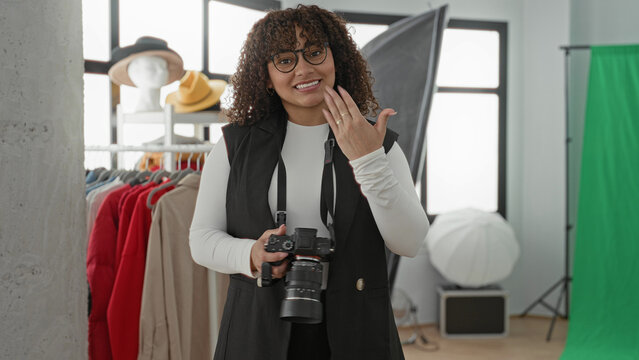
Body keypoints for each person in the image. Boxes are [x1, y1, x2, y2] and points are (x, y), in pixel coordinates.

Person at [189, 5, 429, 360]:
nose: (304, 68)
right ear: (266, 75)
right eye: (285, 60)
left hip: (358, 330)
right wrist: (251, 254)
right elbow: (201, 240)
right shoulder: (233, 146)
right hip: (256, 329)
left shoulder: (377, 142)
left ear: (337, 58)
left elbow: (410, 241)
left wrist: (368, 160)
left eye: (315, 52)